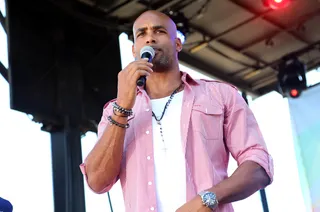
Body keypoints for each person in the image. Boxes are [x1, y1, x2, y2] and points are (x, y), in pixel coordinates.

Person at [80, 10, 274, 212]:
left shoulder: (220, 95)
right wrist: (122, 108)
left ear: (178, 44)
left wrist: (208, 199)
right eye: (141, 34)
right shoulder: (115, 110)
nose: (150, 38)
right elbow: (97, 181)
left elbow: (258, 164)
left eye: (159, 31)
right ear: (134, 50)